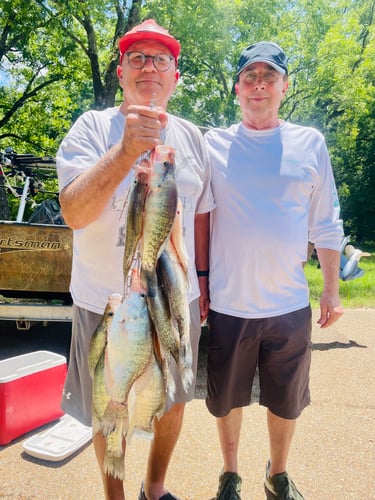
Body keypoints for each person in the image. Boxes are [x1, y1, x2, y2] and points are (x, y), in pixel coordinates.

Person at [56, 19, 214, 500]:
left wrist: (200, 282)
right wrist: (125, 153)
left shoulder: (191, 138)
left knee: (173, 401)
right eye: (138, 58)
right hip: (105, 300)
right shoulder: (91, 128)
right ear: (121, 71)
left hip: (175, 298)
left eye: (161, 59)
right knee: (112, 404)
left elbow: (199, 218)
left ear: (176, 76)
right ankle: (116, 496)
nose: (150, 67)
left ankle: (155, 486)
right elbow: (73, 212)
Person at [204, 41, 344, 500]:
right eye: (249, 76)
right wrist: (202, 280)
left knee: (286, 400)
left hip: (288, 304)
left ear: (285, 86)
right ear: (237, 89)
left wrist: (331, 290)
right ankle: (230, 473)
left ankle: (277, 474)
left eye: (269, 76)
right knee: (226, 399)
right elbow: (199, 215)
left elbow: (326, 221)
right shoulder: (213, 144)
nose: (258, 84)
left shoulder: (310, 143)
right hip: (229, 302)